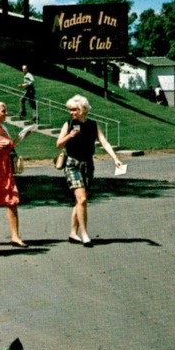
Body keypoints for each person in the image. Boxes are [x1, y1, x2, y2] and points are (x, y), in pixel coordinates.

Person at [56, 94, 124, 248]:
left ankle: (73, 233)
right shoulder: (68, 124)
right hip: (72, 164)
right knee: (82, 199)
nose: (72, 113)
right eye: (70, 110)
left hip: (87, 165)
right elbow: (58, 144)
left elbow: (104, 142)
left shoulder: (92, 125)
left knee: (80, 200)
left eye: (74, 109)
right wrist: (69, 135)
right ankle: (85, 234)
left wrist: (115, 159)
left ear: (84, 109)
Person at [0, 101, 33, 247]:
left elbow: (9, 146)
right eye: (3, 111)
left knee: (12, 200)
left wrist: (22, 137)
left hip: (5, 169)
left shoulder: (3, 128)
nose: (6, 113)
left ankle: (15, 236)